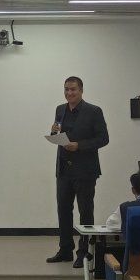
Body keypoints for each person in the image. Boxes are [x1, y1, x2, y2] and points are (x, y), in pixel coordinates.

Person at [47, 76, 109, 269]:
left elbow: (103, 139)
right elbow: (59, 134)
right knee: (63, 210)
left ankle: (83, 253)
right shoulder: (60, 109)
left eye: (73, 89)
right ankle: (65, 250)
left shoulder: (94, 111)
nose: (69, 93)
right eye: (66, 89)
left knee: (85, 212)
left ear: (81, 90)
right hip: (64, 169)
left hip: (85, 170)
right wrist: (54, 132)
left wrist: (79, 145)